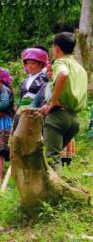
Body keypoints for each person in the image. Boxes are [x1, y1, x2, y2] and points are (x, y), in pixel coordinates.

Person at [40, 32, 88, 168]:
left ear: (56, 48)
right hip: (73, 120)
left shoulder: (60, 62)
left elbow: (63, 74)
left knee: (52, 160)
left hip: (58, 117)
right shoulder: (80, 68)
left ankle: (53, 189)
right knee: (55, 157)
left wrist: (53, 102)